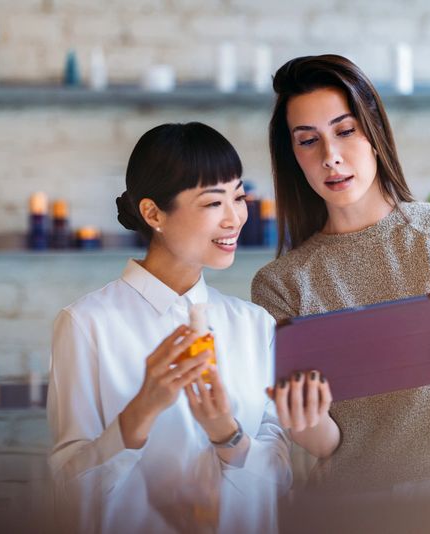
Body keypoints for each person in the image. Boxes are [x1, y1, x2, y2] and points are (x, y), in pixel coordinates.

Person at [251, 54, 430, 491]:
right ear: (294, 157)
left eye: (345, 132)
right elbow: (327, 446)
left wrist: (426, 341)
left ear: (376, 135)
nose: (331, 156)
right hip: (361, 506)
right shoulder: (281, 285)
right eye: (308, 141)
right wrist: (299, 419)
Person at [47, 122, 291, 532]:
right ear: (153, 212)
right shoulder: (87, 325)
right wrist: (141, 412)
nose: (235, 218)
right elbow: (70, 494)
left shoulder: (254, 325)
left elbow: (279, 481)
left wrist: (226, 434)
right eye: (214, 203)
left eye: (239, 196)